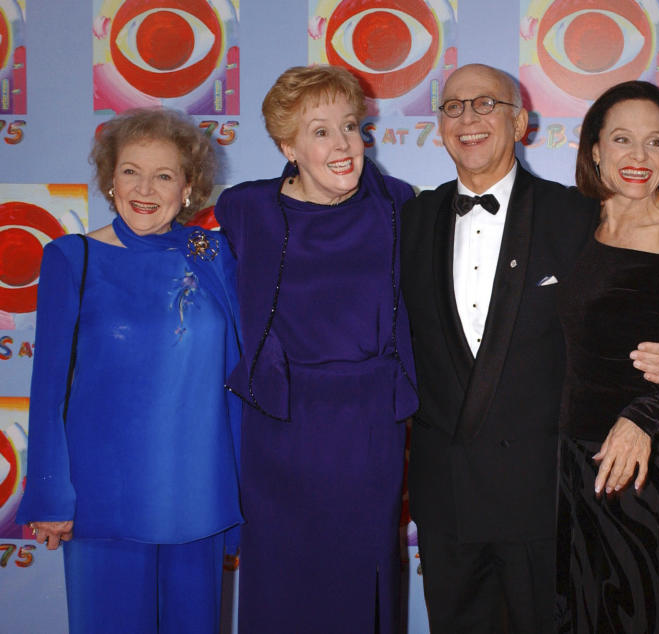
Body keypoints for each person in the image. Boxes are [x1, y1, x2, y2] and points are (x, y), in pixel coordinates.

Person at [401, 64, 659, 633]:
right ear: (438, 126)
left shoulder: (581, 216)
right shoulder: (409, 218)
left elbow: (649, 303)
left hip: (547, 498)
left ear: (521, 121)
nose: (468, 118)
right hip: (445, 499)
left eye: (485, 104)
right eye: (453, 107)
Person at [17, 107, 241, 633]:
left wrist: (241, 492)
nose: (146, 188)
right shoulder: (72, 257)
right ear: (109, 180)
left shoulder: (214, 254)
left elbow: (237, 378)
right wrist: (50, 492)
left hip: (199, 497)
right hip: (103, 501)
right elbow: (49, 386)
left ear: (188, 188)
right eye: (130, 171)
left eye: (164, 174)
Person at [214, 65, 417, 633]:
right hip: (279, 426)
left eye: (350, 126)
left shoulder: (397, 205)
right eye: (320, 131)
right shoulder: (245, 209)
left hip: (367, 428)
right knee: (279, 582)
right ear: (287, 146)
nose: (343, 144)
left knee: (360, 583)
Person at [556, 80, 659, 633]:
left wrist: (639, 420)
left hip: (648, 474)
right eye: (623, 139)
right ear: (595, 148)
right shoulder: (582, 221)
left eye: (655, 143)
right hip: (580, 462)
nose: (639, 157)